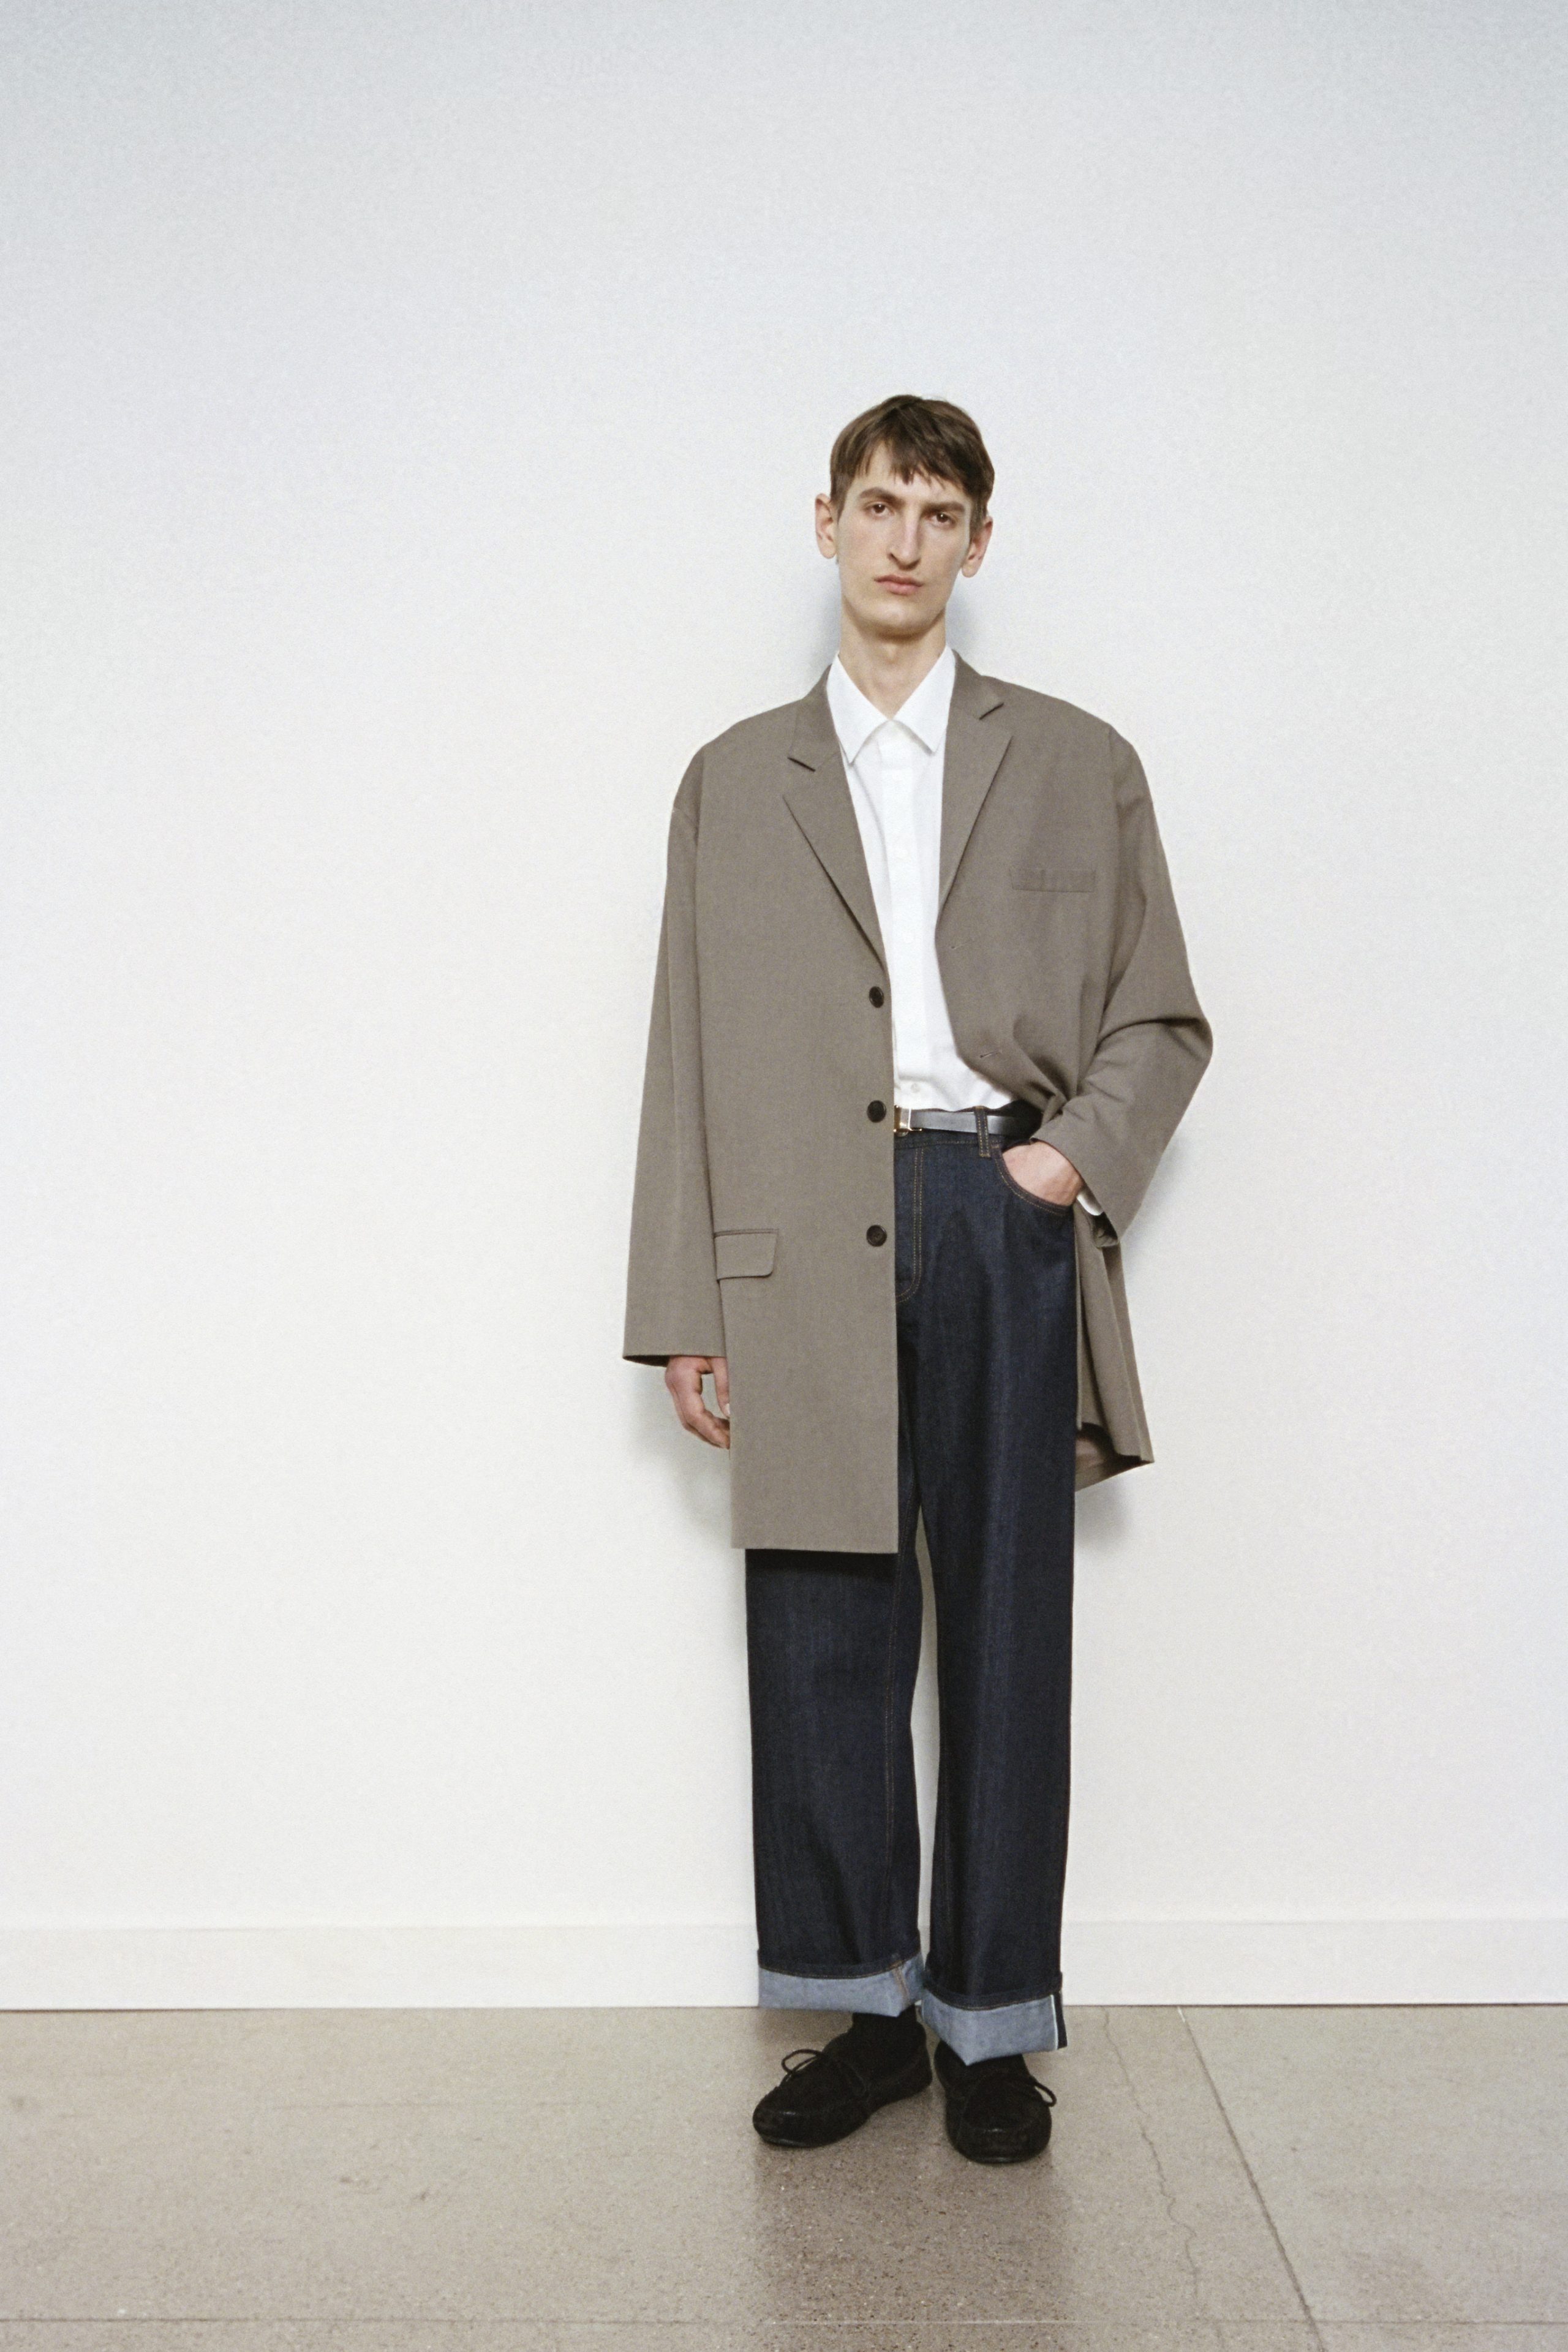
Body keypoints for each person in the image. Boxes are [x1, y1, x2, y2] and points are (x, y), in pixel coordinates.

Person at [624, 394, 1211, 2163]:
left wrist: (1057, 1167)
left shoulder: (1080, 761)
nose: (905, 539)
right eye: (878, 505)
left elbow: (1162, 1018)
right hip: (795, 1239)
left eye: (939, 512)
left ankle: (989, 2026)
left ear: (977, 541)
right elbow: (685, 1051)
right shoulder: (735, 780)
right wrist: (685, 1305)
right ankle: (867, 2017)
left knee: (1011, 1636)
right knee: (821, 1630)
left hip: (997, 1214)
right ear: (828, 523)